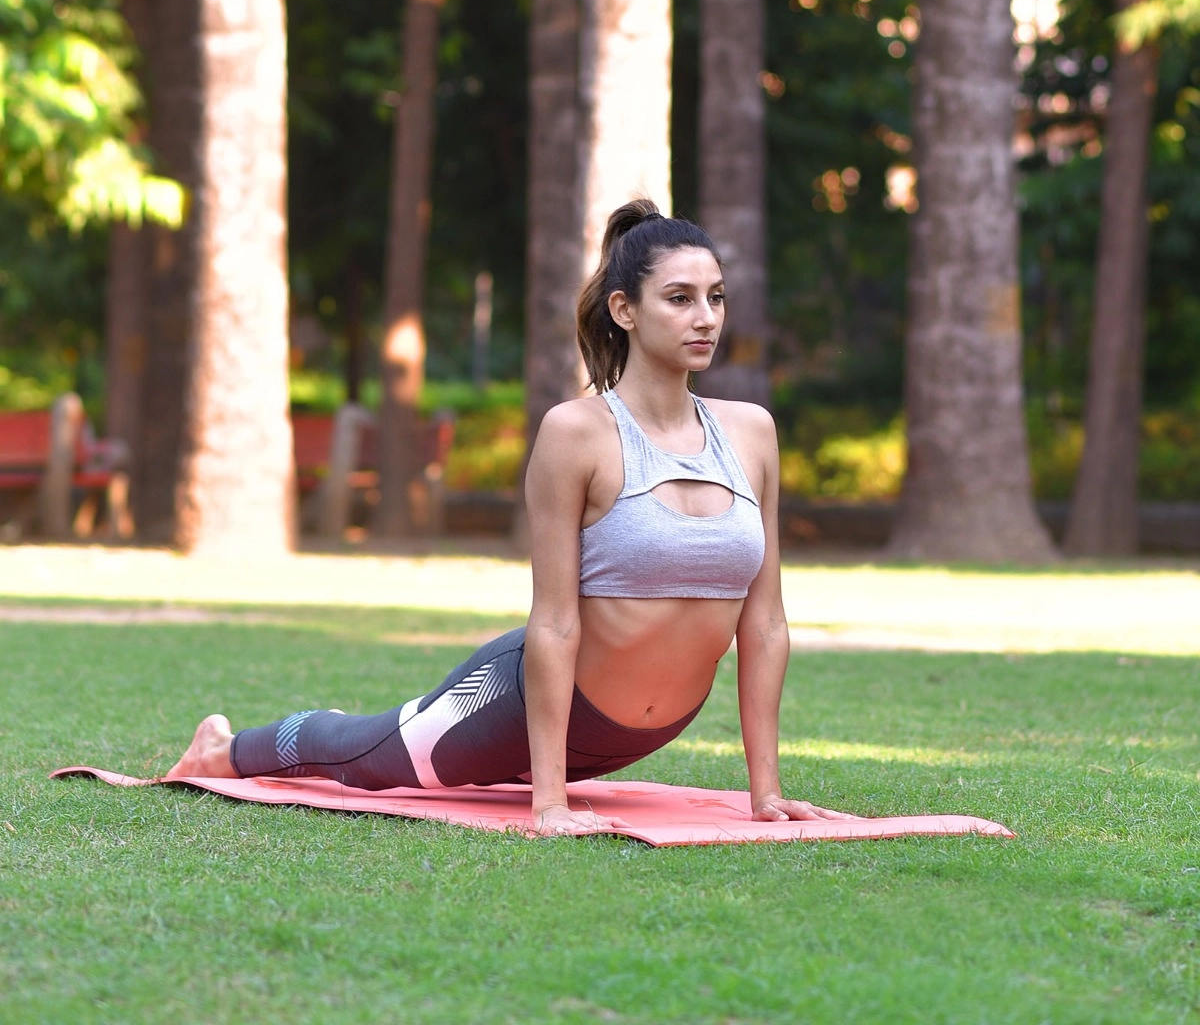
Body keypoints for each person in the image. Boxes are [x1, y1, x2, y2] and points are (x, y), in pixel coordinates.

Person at [166, 199, 854, 835]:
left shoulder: (752, 434)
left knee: (397, 752)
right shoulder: (577, 433)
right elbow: (554, 620)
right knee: (368, 755)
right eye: (679, 299)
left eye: (715, 297)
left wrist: (766, 793)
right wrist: (548, 801)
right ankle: (223, 751)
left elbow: (763, 624)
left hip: (649, 729)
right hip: (518, 703)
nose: (705, 317)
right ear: (625, 310)